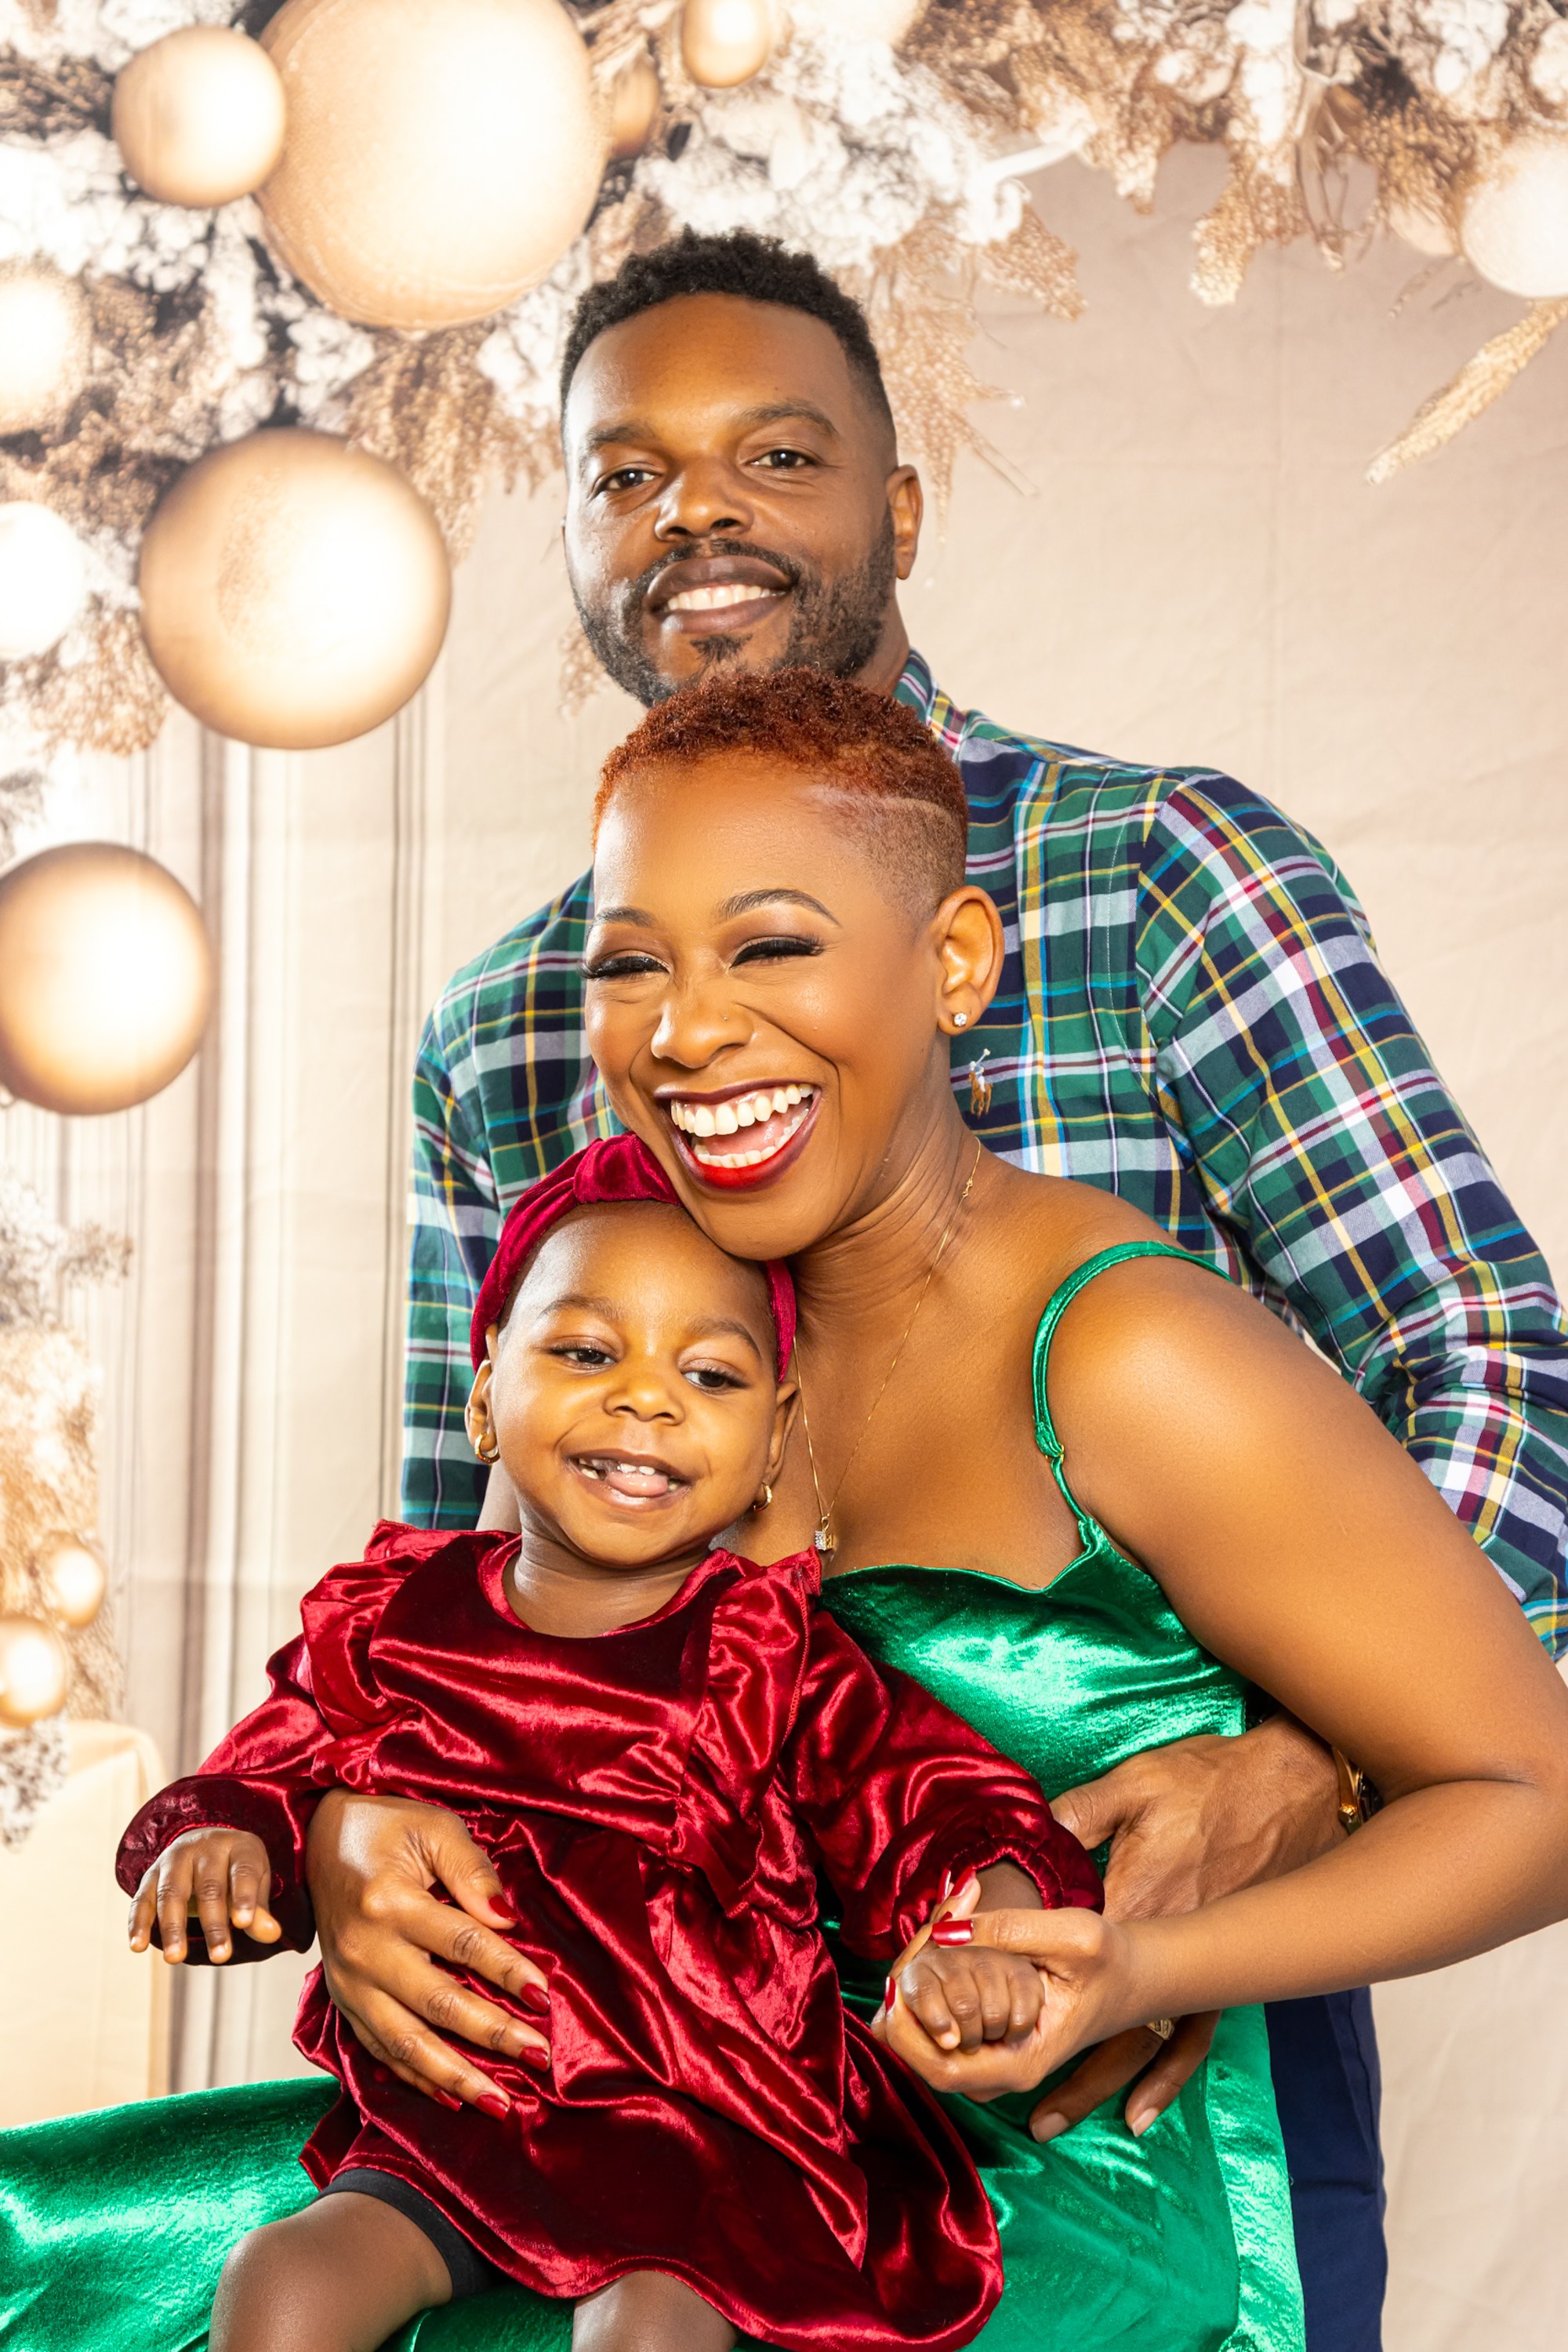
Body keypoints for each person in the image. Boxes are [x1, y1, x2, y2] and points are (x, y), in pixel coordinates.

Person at [317, 230, 1568, 2352]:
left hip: (1114, 2008)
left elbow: (1482, 1351)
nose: (695, 518)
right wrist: (363, 1807)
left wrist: (1316, 1758)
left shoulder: (1159, 870)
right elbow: (475, 1555)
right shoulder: (518, 1025)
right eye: (625, 477)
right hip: (677, 2052)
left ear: (898, 509)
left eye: (775, 456)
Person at [118, 1136, 1103, 2352]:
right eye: (587, 1353)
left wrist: (980, 1938)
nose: (646, 1398)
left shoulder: (768, 1654)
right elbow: (273, 1765)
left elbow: (937, 1803)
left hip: (704, 2135)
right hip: (454, 2119)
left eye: (711, 1374)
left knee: (648, 2327)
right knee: (281, 2277)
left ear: (775, 1442)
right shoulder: (394, 1616)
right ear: (486, 1391)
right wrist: (224, 1839)